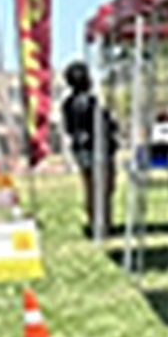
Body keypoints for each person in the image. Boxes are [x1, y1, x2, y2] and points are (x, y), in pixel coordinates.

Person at [60, 59, 116, 236]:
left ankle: (94, 222)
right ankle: (103, 223)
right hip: (97, 148)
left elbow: (68, 128)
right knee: (104, 188)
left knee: (90, 187)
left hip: (79, 148)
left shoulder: (67, 104)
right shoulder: (92, 103)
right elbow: (104, 126)